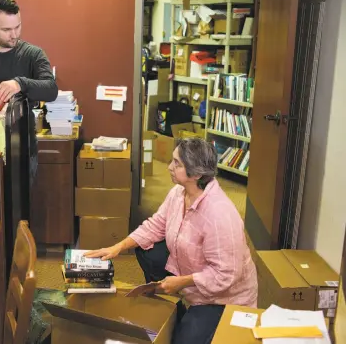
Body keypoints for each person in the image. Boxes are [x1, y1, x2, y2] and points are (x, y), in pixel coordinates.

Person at [85, 138, 258, 344]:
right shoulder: (179, 193)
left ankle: (185, 302)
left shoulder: (220, 215)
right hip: (194, 273)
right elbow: (155, 225)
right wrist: (118, 247)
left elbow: (225, 275)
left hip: (222, 297)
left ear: (196, 174)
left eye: (177, 163)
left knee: (182, 341)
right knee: (145, 249)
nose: (169, 167)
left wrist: (181, 282)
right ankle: (174, 299)